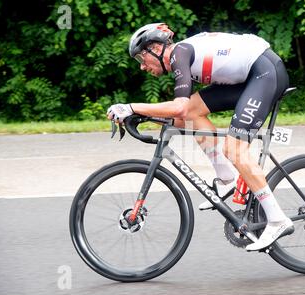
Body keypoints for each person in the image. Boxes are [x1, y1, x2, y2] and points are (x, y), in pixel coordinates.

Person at [106, 23, 294, 251]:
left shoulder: (179, 54)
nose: (143, 67)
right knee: (194, 113)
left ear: (155, 48)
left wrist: (133, 107)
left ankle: (277, 220)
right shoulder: (181, 57)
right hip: (249, 77)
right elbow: (183, 115)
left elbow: (179, 109)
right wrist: (141, 116)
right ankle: (226, 180)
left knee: (234, 148)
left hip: (264, 73)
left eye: (141, 59)